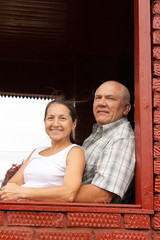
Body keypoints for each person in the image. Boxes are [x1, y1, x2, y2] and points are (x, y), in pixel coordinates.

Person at [0, 99, 85, 202]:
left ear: (73, 124)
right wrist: (16, 192)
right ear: (45, 122)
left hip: (47, 215)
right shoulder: (36, 152)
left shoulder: (74, 152)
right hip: (19, 213)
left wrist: (22, 193)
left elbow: (68, 193)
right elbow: (11, 186)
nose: (55, 124)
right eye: (50, 118)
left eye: (62, 118)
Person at [74, 80, 135, 204]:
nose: (101, 103)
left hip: (95, 220)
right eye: (98, 98)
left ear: (126, 108)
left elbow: (101, 195)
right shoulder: (99, 134)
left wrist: (49, 193)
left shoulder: (120, 138)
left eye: (110, 98)